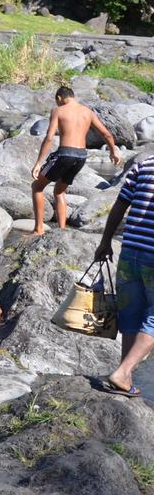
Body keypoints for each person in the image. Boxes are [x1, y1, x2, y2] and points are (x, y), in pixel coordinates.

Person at [93, 149, 154, 397]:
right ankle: (123, 372)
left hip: (130, 252)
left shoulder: (145, 165)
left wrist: (105, 241)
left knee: (130, 313)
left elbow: (120, 205)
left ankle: (124, 376)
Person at [30, 85, 122, 235]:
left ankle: (39, 229)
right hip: (81, 156)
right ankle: (62, 231)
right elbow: (107, 134)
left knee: (37, 186)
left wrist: (39, 163)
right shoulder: (88, 112)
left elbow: (49, 138)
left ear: (59, 98)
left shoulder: (58, 110)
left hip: (65, 154)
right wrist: (113, 151)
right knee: (59, 192)